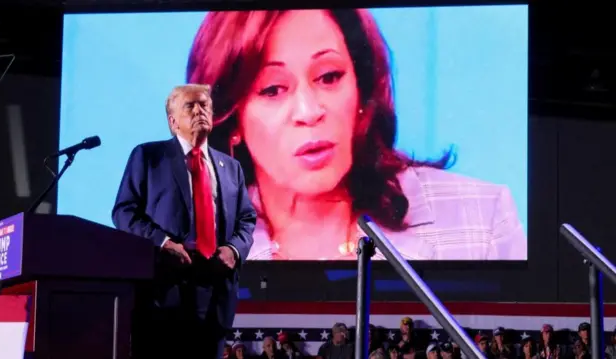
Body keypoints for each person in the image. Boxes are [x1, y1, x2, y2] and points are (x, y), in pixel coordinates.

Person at [186, 9, 526, 260]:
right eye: (273, 89)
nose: (309, 111)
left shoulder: (481, 217)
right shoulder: (200, 241)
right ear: (232, 123)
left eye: (329, 77)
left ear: (362, 92)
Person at [112, 84, 256, 358]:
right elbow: (124, 211)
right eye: (190, 106)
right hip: (164, 290)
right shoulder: (149, 156)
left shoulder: (231, 167)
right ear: (172, 121)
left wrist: (234, 250)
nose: (199, 111)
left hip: (216, 293)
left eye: (205, 105)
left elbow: (246, 219)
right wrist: (163, 243)